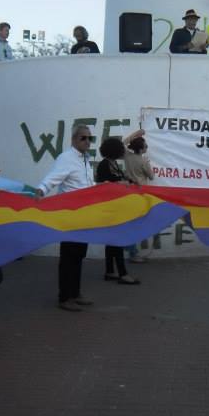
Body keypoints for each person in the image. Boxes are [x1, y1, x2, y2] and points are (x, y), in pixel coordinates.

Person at [35, 125, 95, 311]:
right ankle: (64, 297)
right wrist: (41, 190)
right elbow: (53, 178)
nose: (87, 142)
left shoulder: (86, 160)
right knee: (69, 255)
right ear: (74, 139)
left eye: (89, 138)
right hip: (70, 215)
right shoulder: (66, 158)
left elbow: (88, 184)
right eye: (83, 138)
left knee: (79, 255)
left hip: (84, 214)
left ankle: (75, 293)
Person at [94, 137, 140, 285]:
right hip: (110, 208)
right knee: (117, 240)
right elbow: (104, 185)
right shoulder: (104, 165)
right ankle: (123, 274)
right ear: (115, 150)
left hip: (116, 207)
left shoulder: (113, 163)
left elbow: (121, 180)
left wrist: (131, 182)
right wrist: (122, 183)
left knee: (111, 241)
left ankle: (109, 271)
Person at [122, 132, 153, 264]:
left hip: (128, 192)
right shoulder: (143, 160)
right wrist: (148, 164)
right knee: (136, 224)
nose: (147, 147)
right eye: (145, 146)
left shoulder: (127, 156)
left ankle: (130, 249)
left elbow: (122, 143)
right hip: (140, 194)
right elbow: (151, 176)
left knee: (130, 223)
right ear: (141, 149)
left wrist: (135, 135)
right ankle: (132, 252)